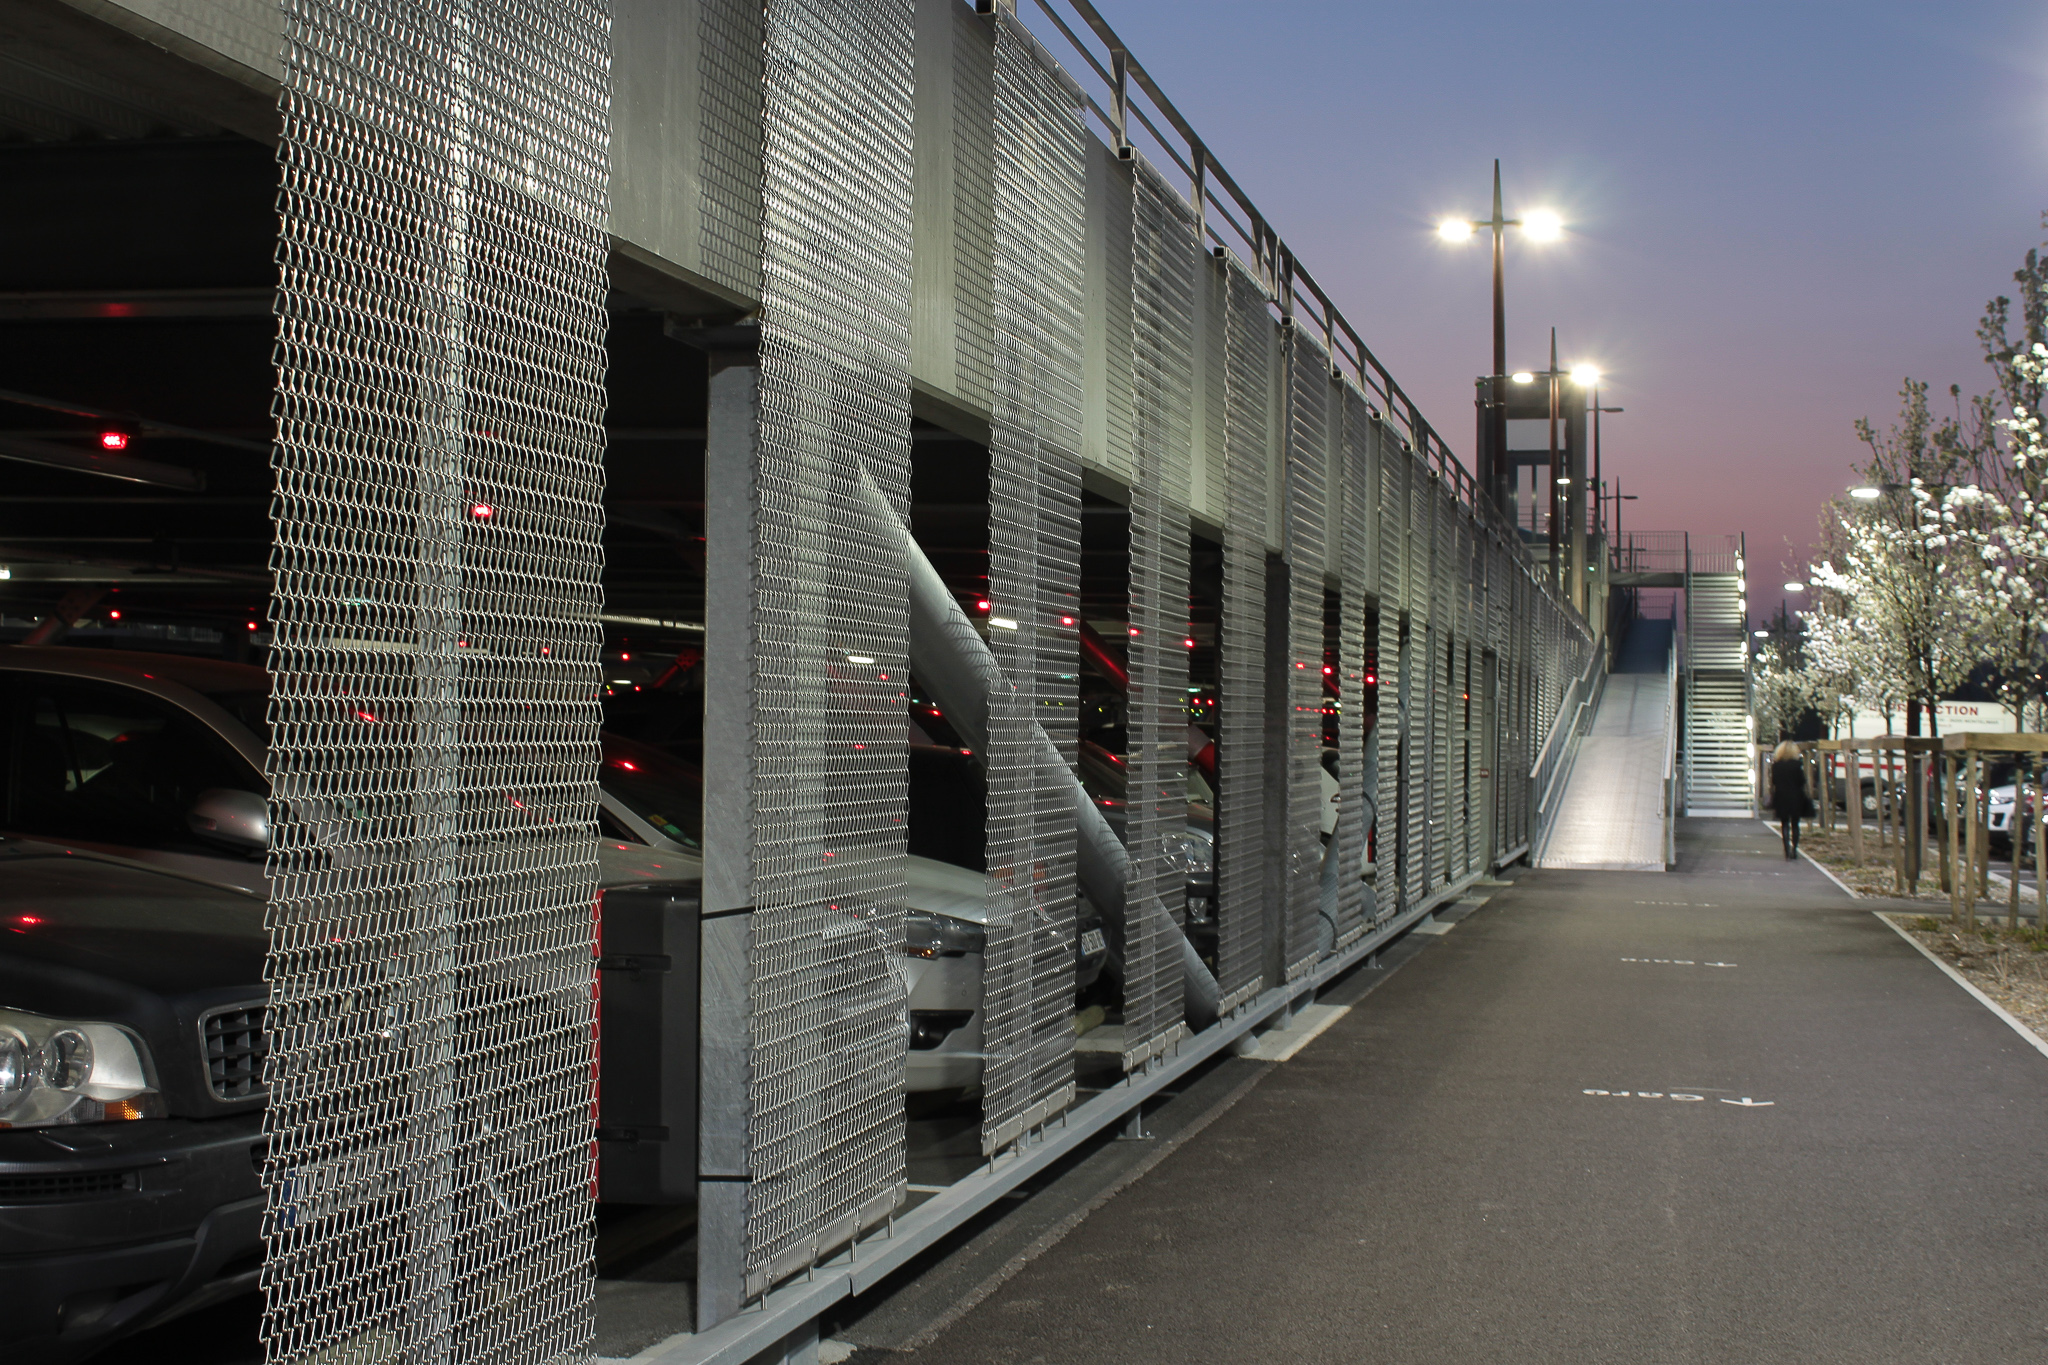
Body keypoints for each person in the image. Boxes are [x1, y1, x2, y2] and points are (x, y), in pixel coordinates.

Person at [1768, 740, 1810, 860]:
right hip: (1796, 797)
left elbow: (1774, 782)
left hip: (1781, 797)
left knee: (1784, 824)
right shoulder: (1797, 765)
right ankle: (1794, 850)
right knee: (1795, 824)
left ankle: (1786, 849)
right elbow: (1802, 781)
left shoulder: (1776, 765)